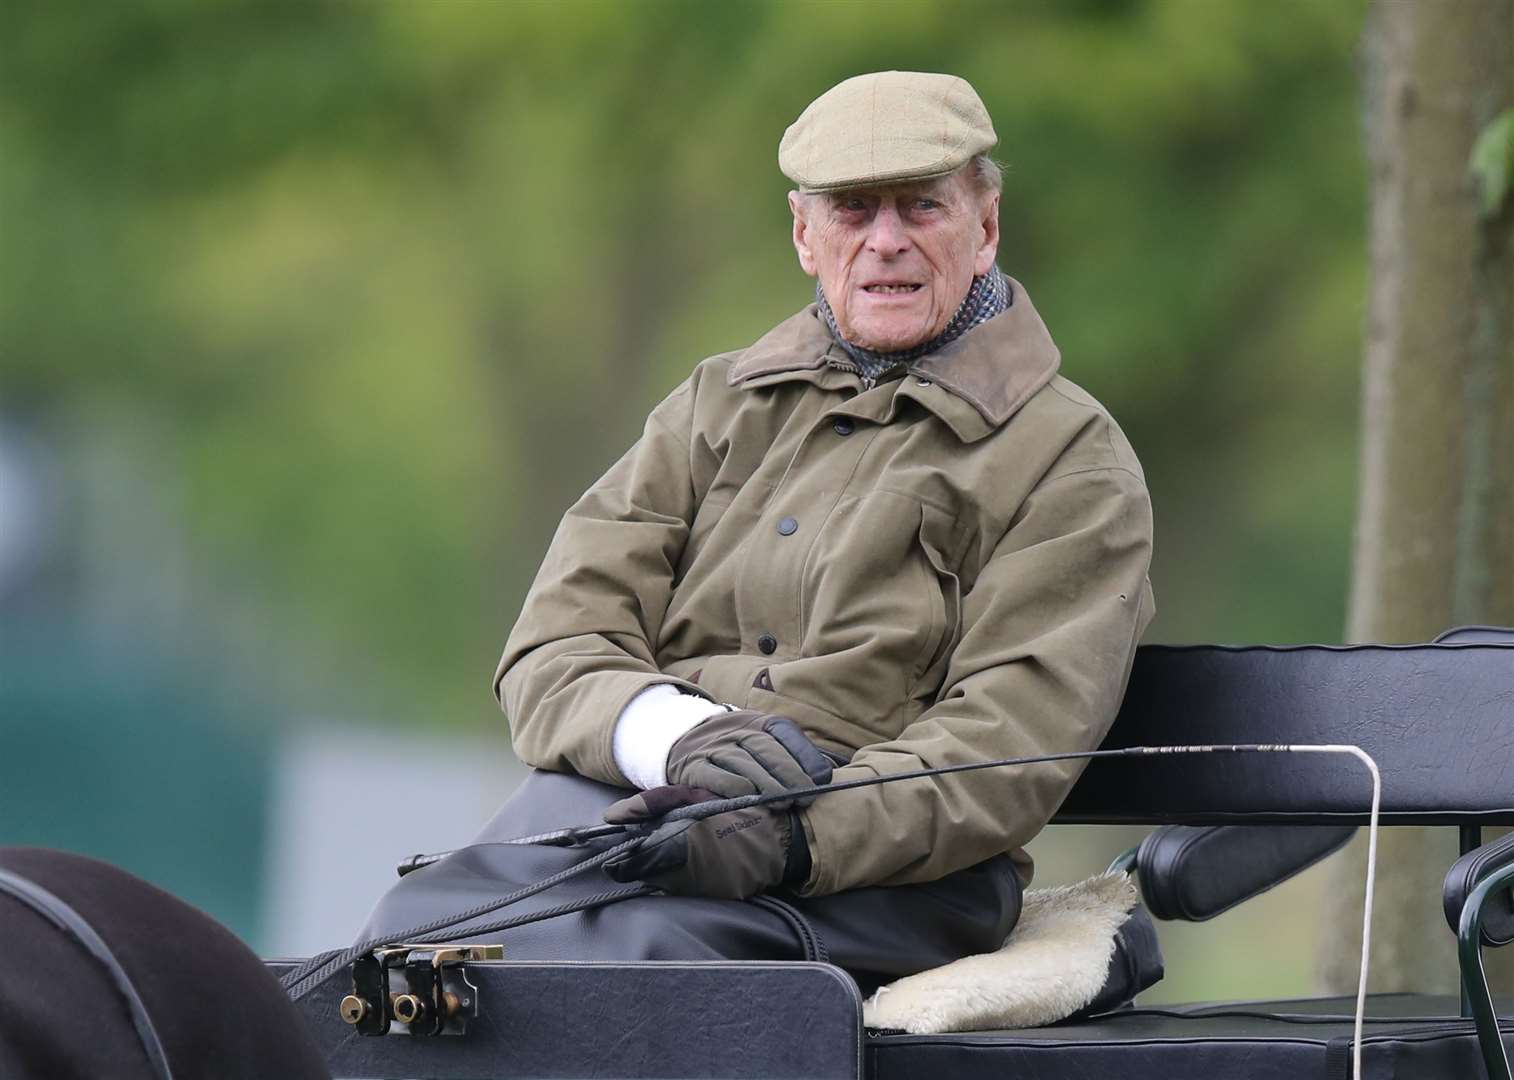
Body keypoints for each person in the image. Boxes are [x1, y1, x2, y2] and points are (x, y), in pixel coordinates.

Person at [365, 70, 1154, 989]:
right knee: (399, 945)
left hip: (887, 875)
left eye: (922, 208)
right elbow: (555, 642)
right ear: (803, 235)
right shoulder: (715, 404)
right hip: (632, 813)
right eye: (853, 212)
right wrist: (670, 737)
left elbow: (1006, 749)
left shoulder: (1072, 462)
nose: (887, 242)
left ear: (984, 228)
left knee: (612, 974)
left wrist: (784, 834)